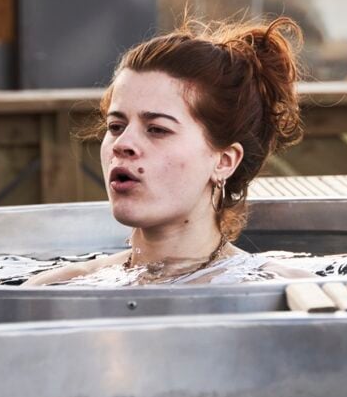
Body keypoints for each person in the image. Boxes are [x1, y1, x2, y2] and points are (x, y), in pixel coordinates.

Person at [23, 17, 305, 287]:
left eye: (157, 129)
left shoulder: (292, 293)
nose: (122, 144)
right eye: (116, 126)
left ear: (224, 161)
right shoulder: (59, 288)